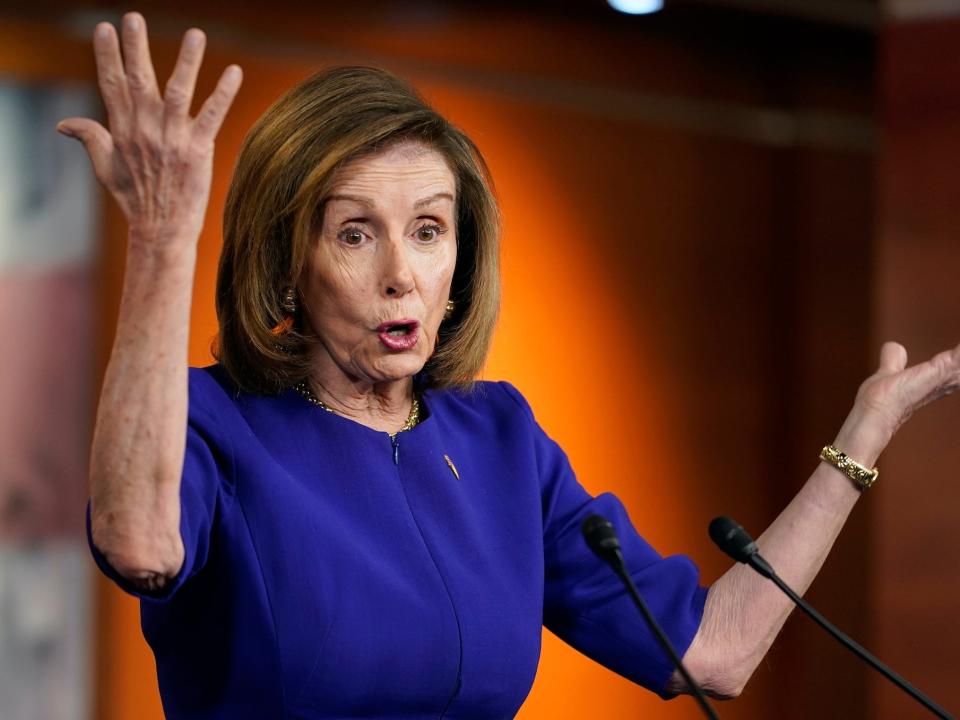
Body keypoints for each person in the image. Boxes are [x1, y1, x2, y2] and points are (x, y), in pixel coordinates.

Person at [59, 12, 960, 719]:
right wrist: (164, 234)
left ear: (462, 259)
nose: (400, 275)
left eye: (427, 231)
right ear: (286, 261)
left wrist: (862, 438)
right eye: (354, 233)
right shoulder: (212, 424)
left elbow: (712, 652)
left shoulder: (500, 440)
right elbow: (138, 543)